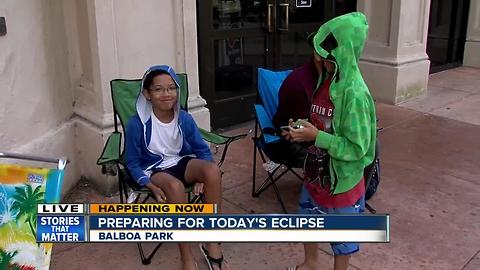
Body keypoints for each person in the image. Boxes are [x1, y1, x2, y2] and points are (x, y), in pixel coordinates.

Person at [285, 12, 376, 270]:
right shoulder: (327, 80)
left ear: (342, 52)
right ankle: (311, 263)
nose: (317, 58)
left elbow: (358, 149)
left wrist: (317, 136)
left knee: (342, 236)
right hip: (316, 173)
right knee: (308, 220)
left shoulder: (355, 94)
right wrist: (302, 129)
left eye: (323, 53)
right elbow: (323, 122)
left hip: (341, 182)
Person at [125, 65, 230, 270]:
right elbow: (132, 163)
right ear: (147, 94)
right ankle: (186, 256)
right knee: (175, 187)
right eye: (158, 89)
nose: (167, 94)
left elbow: (202, 150)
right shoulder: (137, 124)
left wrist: (201, 178)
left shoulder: (184, 118)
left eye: (172, 88)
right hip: (154, 169)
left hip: (180, 161)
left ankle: (212, 240)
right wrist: (150, 186)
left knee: (212, 171)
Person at [267, 45, 325, 168]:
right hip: (290, 142)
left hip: (319, 133)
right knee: (334, 160)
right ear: (318, 56)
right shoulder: (298, 84)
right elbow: (295, 130)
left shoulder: (333, 80)